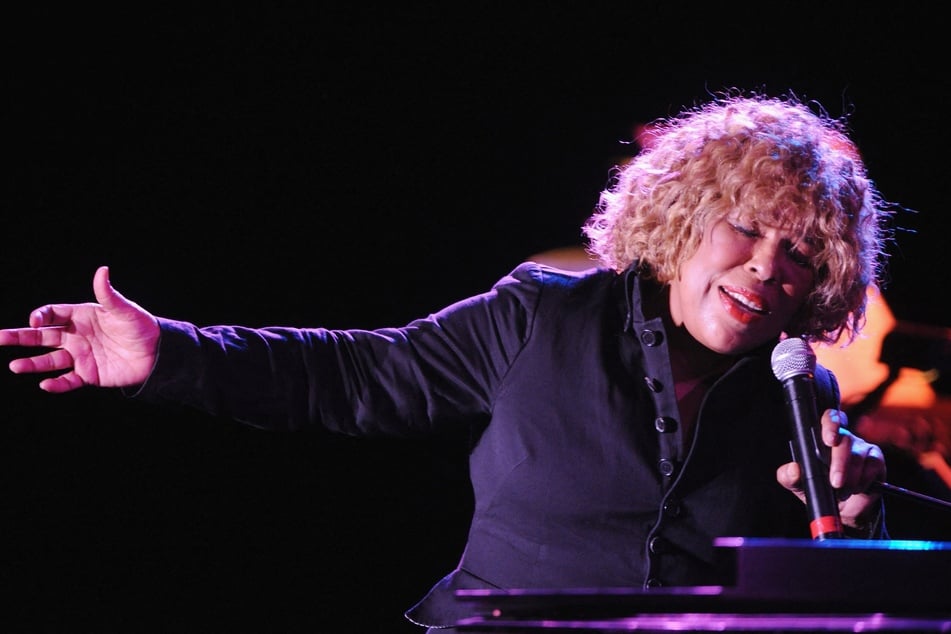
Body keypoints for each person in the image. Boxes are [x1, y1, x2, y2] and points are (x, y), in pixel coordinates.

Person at [0, 91, 891, 632]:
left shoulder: (798, 388)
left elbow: (817, 584)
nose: (768, 265)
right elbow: (355, 376)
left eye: (801, 250)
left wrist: (860, 514)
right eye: (746, 226)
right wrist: (171, 355)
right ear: (689, 221)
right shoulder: (543, 314)